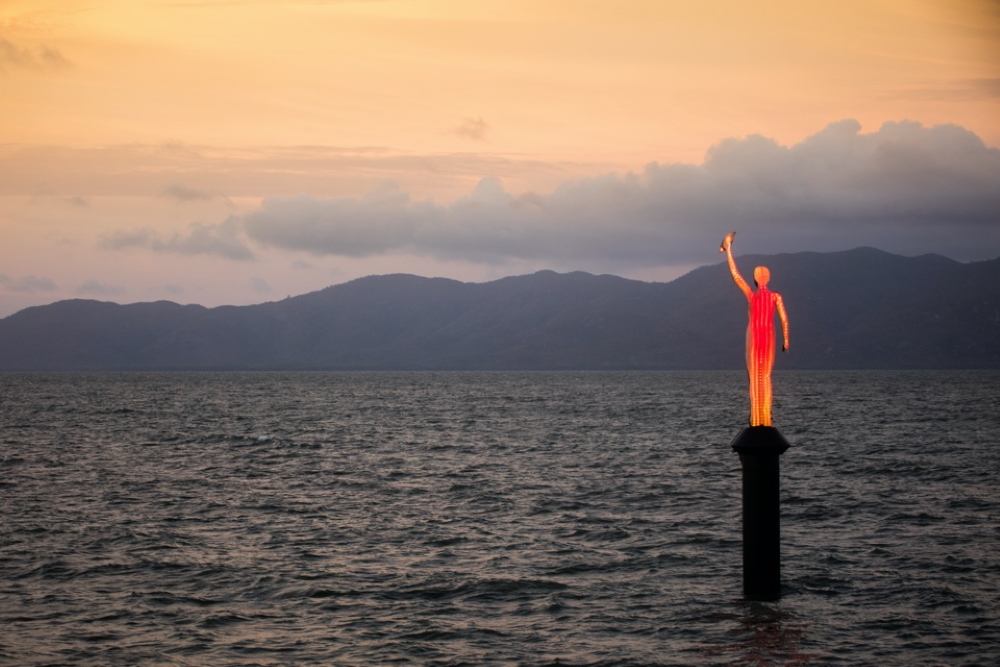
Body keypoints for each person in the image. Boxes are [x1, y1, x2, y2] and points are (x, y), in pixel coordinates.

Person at [720, 232, 789, 427]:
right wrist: (786, 340)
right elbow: (784, 319)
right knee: (765, 377)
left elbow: (736, 276)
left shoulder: (752, 295)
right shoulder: (776, 296)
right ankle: (765, 418)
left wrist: (728, 251)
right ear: (767, 278)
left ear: (756, 279)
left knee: (755, 377)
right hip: (768, 336)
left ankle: (756, 419)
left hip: (755, 336)